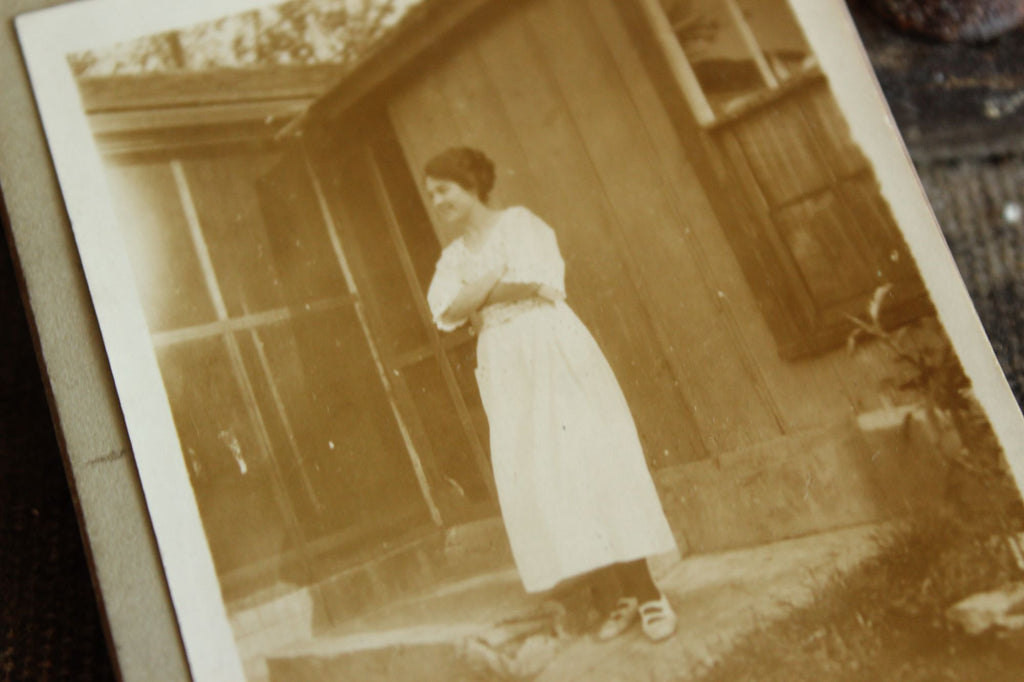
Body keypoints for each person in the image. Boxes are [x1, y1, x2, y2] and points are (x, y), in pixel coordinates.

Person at [425, 147, 678, 642]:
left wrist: (480, 292)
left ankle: (649, 594)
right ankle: (619, 595)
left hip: (550, 349)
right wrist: (495, 278)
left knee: (591, 460)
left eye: (444, 189)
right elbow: (446, 310)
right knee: (550, 477)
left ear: (471, 183)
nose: (437, 200)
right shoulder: (452, 257)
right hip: (505, 364)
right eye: (430, 194)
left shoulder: (522, 225)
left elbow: (539, 282)